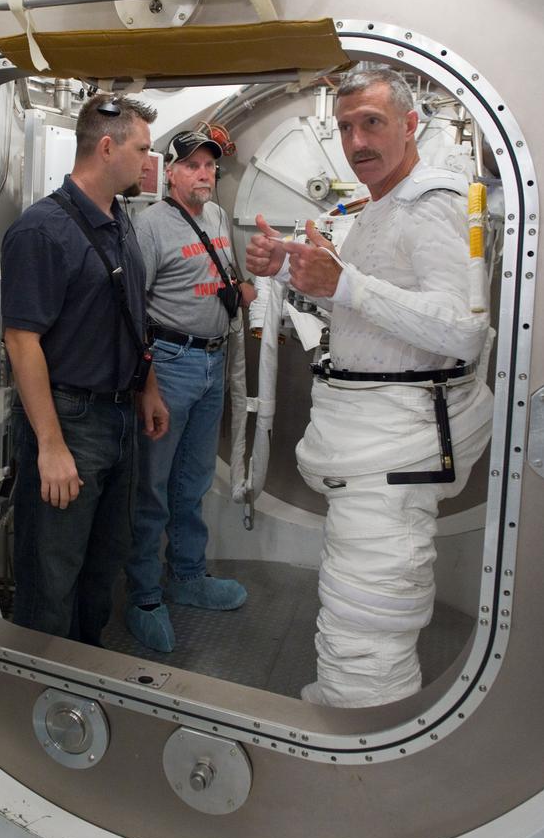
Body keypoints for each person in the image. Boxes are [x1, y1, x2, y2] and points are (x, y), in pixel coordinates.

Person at [247, 65, 493, 708]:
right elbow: (375, 319)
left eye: (373, 124)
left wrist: (346, 284)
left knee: (368, 606)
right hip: (370, 435)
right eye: (347, 126)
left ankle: (366, 732)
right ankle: (349, 705)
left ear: (411, 125)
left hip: (397, 441)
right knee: (356, 589)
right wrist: (301, 279)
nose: (357, 141)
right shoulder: (380, 208)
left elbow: (462, 330)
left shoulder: (433, 204)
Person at [1, 93, 169, 646]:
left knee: (102, 568)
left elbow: (130, 312)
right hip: (70, 421)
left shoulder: (119, 220)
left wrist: (146, 388)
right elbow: (22, 341)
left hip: (118, 417)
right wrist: (50, 445)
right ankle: (38, 694)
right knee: (51, 577)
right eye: (143, 150)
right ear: (106, 147)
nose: (150, 162)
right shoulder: (41, 230)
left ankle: (84, 677)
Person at [124, 131, 254, 654]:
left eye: (210, 167)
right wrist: (147, 380)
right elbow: (132, 310)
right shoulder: (151, 226)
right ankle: (142, 596)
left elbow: (226, 279)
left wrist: (244, 289)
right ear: (170, 173)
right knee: (151, 486)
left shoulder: (217, 219)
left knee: (194, 481)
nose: (204, 174)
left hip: (213, 360)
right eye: (193, 166)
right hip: (171, 364)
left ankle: (187, 575)